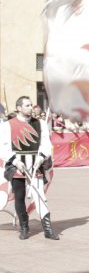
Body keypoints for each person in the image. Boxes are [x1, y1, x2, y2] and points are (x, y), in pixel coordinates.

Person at [0, 96, 58, 241]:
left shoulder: (40, 124)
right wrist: (15, 161)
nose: (30, 107)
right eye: (27, 105)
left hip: (36, 166)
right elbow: (3, 146)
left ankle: (48, 229)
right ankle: (24, 227)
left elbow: (46, 144)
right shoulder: (8, 125)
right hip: (17, 166)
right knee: (19, 197)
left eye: (31, 105)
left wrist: (41, 157)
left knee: (39, 196)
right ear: (19, 108)